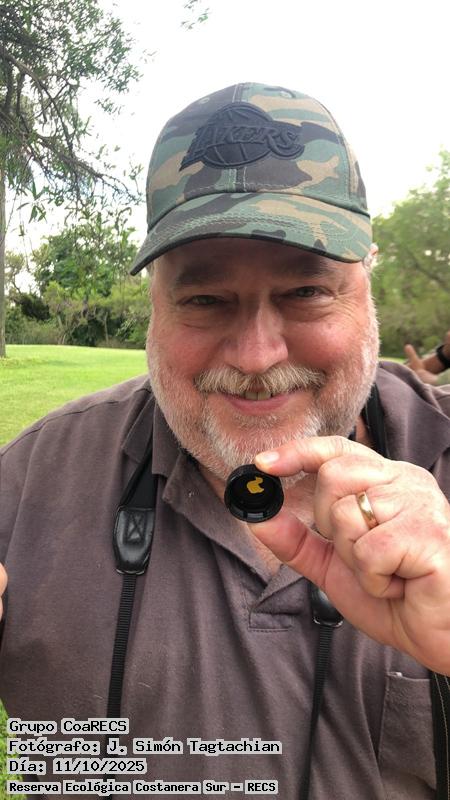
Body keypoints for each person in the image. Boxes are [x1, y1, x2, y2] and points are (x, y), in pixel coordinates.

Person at [1, 82, 449, 800]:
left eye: (305, 292)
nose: (257, 356)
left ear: (368, 277)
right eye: (205, 300)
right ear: (154, 303)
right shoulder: (28, 485)